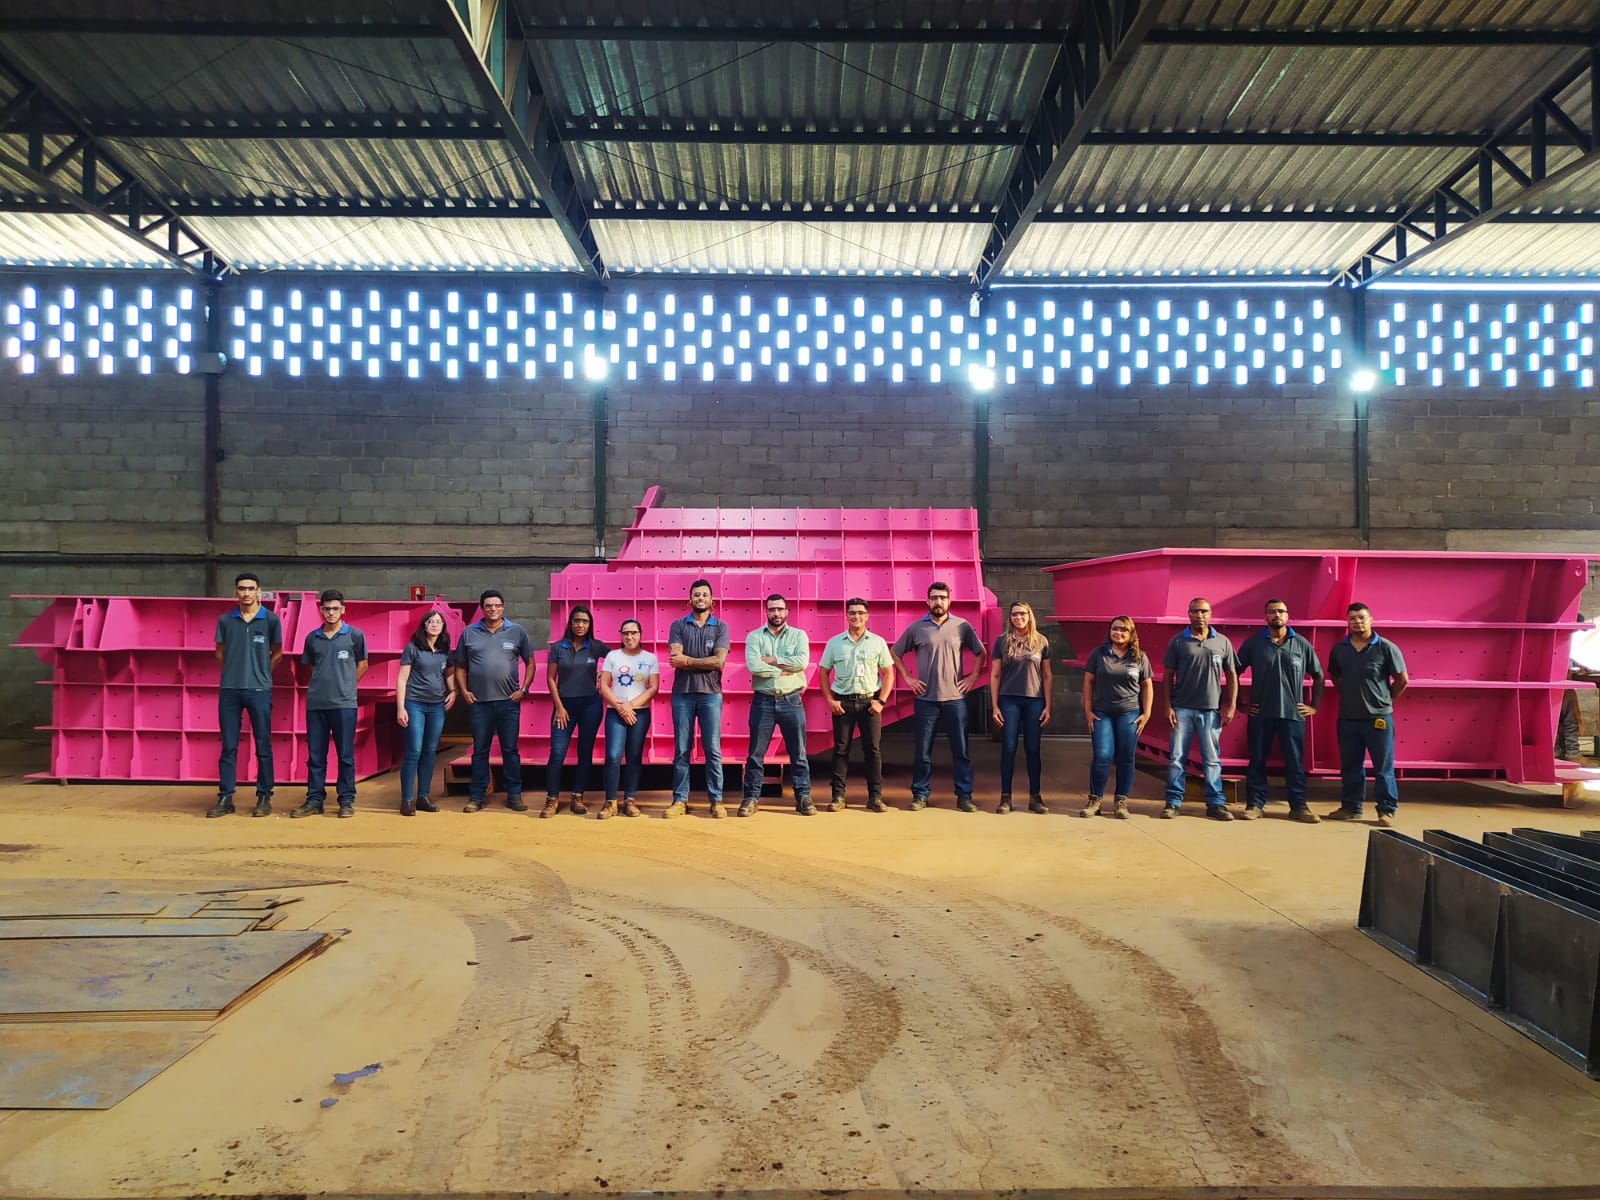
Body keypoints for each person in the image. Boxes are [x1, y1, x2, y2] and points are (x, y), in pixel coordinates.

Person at [892, 581, 987, 812]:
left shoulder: (961, 626)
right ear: (927, 601)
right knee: (923, 752)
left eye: (943, 598)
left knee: (961, 751)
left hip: (955, 699)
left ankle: (964, 796)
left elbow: (980, 652)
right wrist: (908, 678)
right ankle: (920, 794)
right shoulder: (917, 628)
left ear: (949, 600)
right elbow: (895, 652)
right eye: (934, 598)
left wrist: (973, 678)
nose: (938, 602)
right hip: (926, 700)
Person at [1236, 598, 1324, 823]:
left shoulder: (1301, 644)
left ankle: (1299, 807)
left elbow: (1318, 675)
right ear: (1265, 616)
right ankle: (1254, 804)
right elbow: (1233, 672)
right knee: (1257, 760)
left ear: (1287, 615)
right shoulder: (1253, 643)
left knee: (1295, 762)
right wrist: (1240, 704)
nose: (1277, 615)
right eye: (1272, 611)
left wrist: (1314, 706)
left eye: (1281, 611)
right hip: (1260, 714)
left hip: (1293, 715)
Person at [452, 589, 536, 814]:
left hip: (509, 703)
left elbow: (530, 662)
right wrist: (464, 691)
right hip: (479, 703)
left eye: (497, 605)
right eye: (488, 605)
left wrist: (524, 689)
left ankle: (514, 795)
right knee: (480, 750)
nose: (493, 609)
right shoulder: (469, 633)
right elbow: (460, 666)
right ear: (482, 608)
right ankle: (476, 796)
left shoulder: (516, 631)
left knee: (510, 749)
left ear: (503, 606)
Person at [208, 571, 283, 819]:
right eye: (242, 588)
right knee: (228, 746)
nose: (246, 593)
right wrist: (233, 673)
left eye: (251, 588)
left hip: (259, 691)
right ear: (235, 592)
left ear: (259, 591)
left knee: (263, 744)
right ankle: (225, 797)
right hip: (230, 690)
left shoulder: (271, 620)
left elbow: (278, 653)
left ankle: (264, 796)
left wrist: (262, 675)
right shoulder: (225, 621)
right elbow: (219, 652)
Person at [1326, 602, 1408, 826]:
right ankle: (1351, 808)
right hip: (1347, 719)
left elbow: (1402, 680)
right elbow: (1335, 676)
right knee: (1350, 766)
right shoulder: (1339, 649)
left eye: (1361, 617)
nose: (1357, 622)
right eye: (1352, 618)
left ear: (1371, 620)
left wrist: (1385, 700)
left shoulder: (1386, 647)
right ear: (1347, 622)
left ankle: (1386, 810)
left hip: (1378, 719)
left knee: (1383, 767)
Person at [292, 590, 368, 819]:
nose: (331, 612)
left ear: (343, 609)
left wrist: (346, 686)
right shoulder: (311, 638)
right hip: (316, 705)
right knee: (316, 756)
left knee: (345, 755)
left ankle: (346, 800)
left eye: (335, 608)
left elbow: (363, 664)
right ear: (321, 610)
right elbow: (312, 666)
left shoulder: (355, 635)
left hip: (344, 705)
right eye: (327, 608)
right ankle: (314, 800)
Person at [1162, 596, 1238, 820]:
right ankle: (1173, 802)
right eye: (1195, 611)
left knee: (1211, 760)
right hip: (1182, 709)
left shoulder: (1222, 642)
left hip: (1210, 710)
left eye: (1204, 611)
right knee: (1177, 758)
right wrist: (1167, 706)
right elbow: (1167, 676)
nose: (1199, 615)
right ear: (1189, 614)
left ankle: (1215, 803)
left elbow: (1232, 675)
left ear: (1210, 614)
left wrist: (1231, 705)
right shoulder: (1178, 642)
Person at [816, 597, 894, 812]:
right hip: (843, 704)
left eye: (860, 612)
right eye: (852, 612)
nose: (856, 616)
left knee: (873, 751)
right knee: (841, 751)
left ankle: (875, 797)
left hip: (870, 703)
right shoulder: (835, 643)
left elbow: (888, 673)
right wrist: (830, 700)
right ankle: (838, 797)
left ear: (867, 616)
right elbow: (823, 672)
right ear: (846, 615)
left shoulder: (877, 642)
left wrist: (881, 701)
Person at [741, 594, 813, 816]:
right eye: (772, 609)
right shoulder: (754, 637)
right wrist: (783, 669)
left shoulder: (799, 635)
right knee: (755, 754)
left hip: (792, 699)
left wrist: (772, 661)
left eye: (780, 609)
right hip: (763, 700)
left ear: (786, 611)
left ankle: (803, 797)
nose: (776, 613)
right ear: (766, 611)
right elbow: (754, 666)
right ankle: (751, 798)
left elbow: (802, 663)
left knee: (798, 753)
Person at [666, 579, 729, 818]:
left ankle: (716, 800)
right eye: (696, 594)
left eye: (704, 595)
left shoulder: (720, 627)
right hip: (682, 694)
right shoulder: (678, 625)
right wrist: (702, 662)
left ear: (711, 600)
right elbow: (675, 659)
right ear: (689, 599)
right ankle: (680, 800)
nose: (700, 598)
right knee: (682, 749)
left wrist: (689, 661)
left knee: (712, 749)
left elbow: (719, 661)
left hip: (710, 695)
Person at [1081, 615, 1152, 820]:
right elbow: (1088, 682)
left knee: (1125, 756)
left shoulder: (1139, 657)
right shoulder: (1099, 654)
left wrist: (1146, 713)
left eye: (1123, 629)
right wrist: (1087, 711)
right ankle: (1095, 800)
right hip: (1102, 713)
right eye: (1115, 628)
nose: (1118, 632)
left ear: (1131, 634)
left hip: (1129, 713)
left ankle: (1121, 802)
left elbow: (1147, 685)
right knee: (1102, 755)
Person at [542, 606, 610, 818]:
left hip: (590, 706)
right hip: (564, 707)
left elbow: (618, 660)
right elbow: (550, 678)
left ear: (590, 625)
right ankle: (552, 799)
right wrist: (559, 707)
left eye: (585, 621)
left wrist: (604, 673)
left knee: (585, 752)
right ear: (570, 623)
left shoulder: (596, 647)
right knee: (557, 753)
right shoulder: (558, 647)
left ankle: (577, 797)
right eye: (577, 621)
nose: (580, 625)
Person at [988, 600, 1052, 814]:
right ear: (1010, 618)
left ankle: (1035, 797)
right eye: (1014, 614)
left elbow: (1047, 675)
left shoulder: (1041, 641)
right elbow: (995, 675)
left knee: (1033, 748)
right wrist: (995, 706)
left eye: (1022, 614)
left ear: (1029, 616)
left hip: (1034, 700)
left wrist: (1048, 705)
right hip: (1009, 700)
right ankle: (1005, 797)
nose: (1018, 618)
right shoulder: (1002, 641)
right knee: (1009, 748)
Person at [396, 611, 456, 817]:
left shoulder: (445, 650)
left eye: (438, 622)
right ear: (424, 625)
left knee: (430, 750)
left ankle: (423, 796)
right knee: (414, 750)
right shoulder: (412, 648)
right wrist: (401, 708)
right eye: (431, 622)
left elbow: (449, 673)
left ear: (443, 627)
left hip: (437, 706)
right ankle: (406, 800)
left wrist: (453, 691)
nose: (435, 625)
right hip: (415, 704)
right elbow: (402, 679)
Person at [599, 618, 659, 819]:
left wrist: (629, 706)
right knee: (613, 755)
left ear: (640, 635)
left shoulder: (650, 658)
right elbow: (604, 685)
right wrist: (620, 706)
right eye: (625, 633)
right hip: (615, 712)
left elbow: (653, 687)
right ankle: (610, 802)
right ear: (621, 635)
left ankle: (630, 799)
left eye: (634, 632)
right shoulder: (612, 656)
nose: (630, 636)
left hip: (639, 713)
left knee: (634, 756)